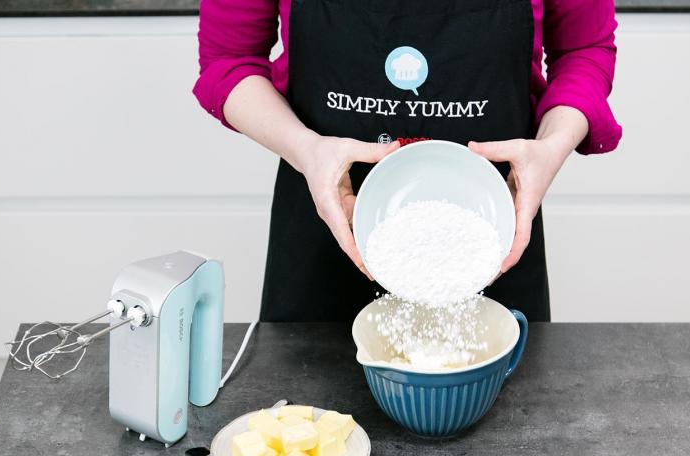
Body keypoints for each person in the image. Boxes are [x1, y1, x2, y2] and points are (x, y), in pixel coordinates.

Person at [194, 0, 622, 322]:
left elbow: (583, 49)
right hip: (325, 225)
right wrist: (307, 149)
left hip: (494, 230)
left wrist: (550, 147)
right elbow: (230, 59)